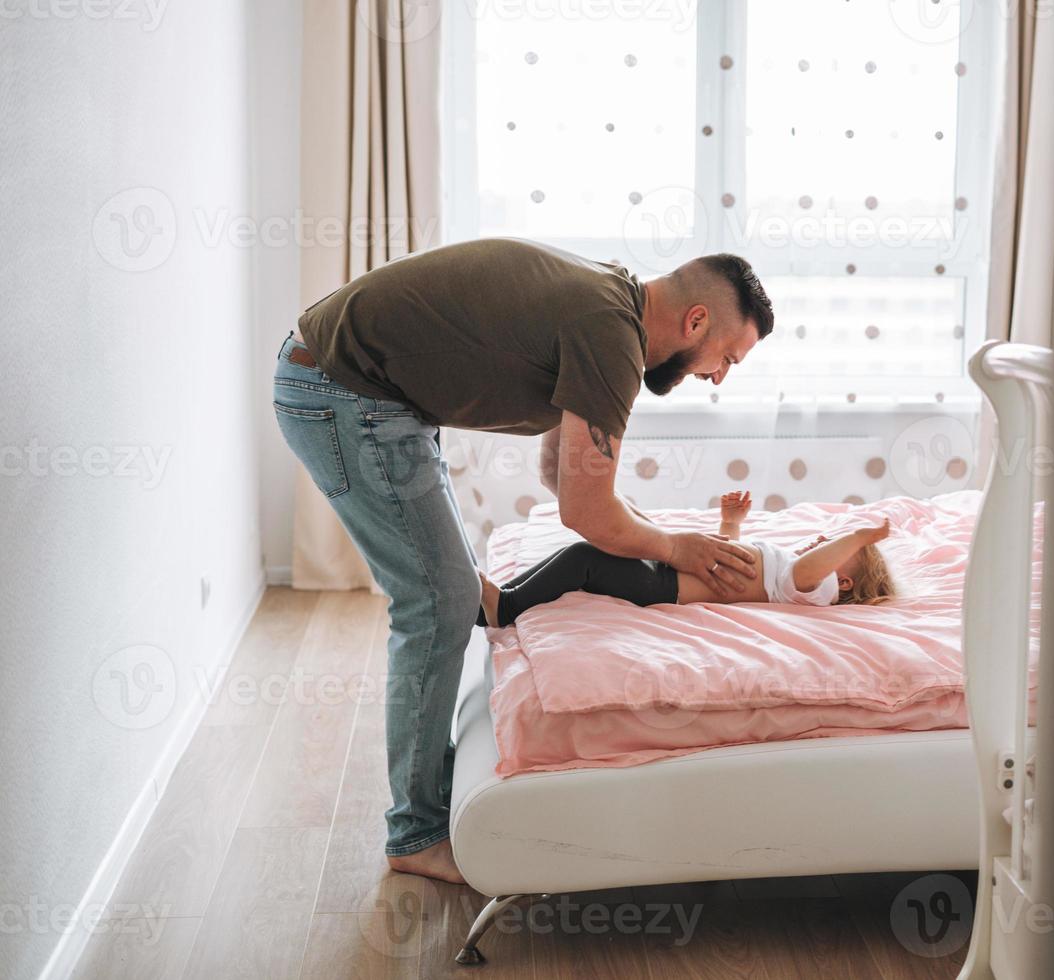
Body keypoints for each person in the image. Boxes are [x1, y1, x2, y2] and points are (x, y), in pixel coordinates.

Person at [271, 238, 774, 883]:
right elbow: (585, 512)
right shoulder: (611, 335)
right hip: (343, 393)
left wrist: (662, 535)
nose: (719, 379)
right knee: (438, 603)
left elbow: (559, 475)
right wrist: (679, 549)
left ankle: (438, 781)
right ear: (696, 321)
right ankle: (415, 833)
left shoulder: (608, 303)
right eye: (726, 359)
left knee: (458, 591)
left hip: (363, 392)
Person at [477, 490, 897, 628]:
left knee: (585, 557)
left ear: (842, 581)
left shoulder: (814, 588)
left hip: (663, 585)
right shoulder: (785, 568)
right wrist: (730, 522)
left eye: (838, 547)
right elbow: (723, 553)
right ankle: (506, 594)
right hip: (675, 567)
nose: (825, 539)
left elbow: (807, 572)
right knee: (604, 541)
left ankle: (506, 608)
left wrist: (859, 535)